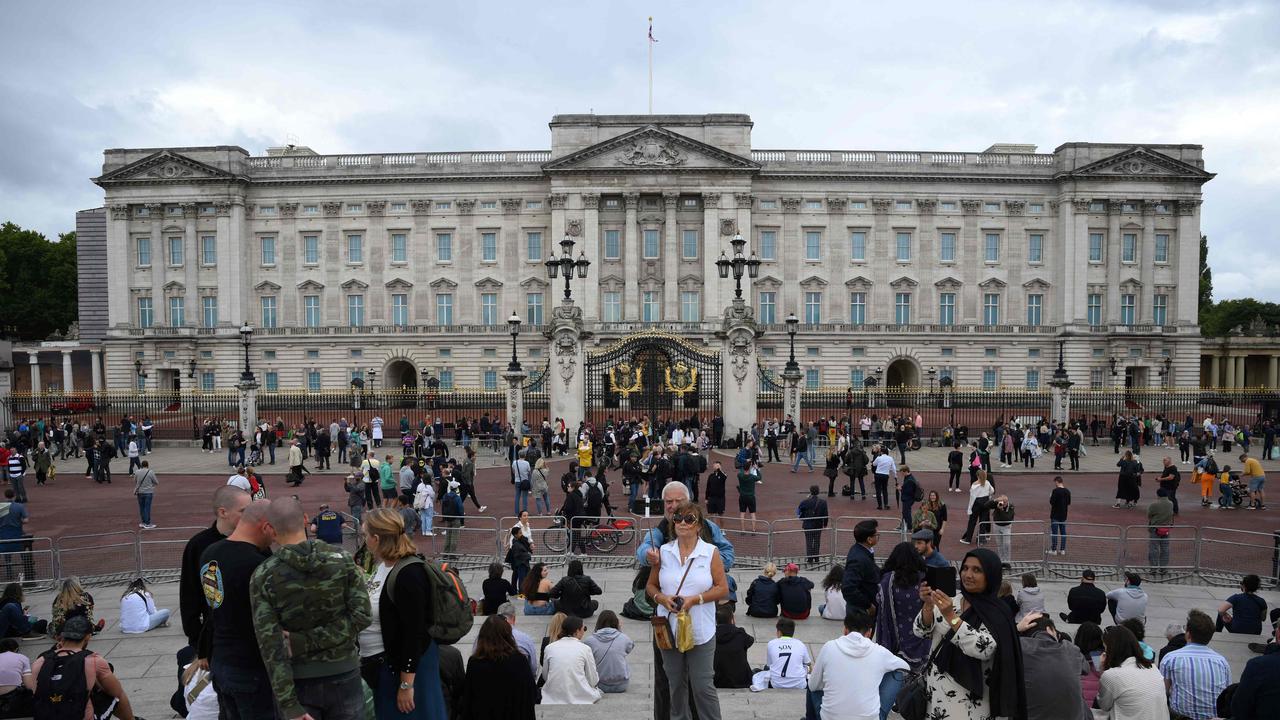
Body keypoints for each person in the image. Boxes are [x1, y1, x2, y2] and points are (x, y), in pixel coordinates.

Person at [250, 496, 370, 720]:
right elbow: (362, 617)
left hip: (298, 681)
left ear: (269, 528)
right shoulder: (342, 560)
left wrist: (289, 704)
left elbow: (270, 644)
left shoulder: (264, 575)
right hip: (344, 672)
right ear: (306, 519)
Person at [636, 481, 735, 720]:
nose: (677, 514)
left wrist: (699, 588)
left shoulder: (709, 544)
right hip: (667, 627)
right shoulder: (663, 542)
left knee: (702, 686)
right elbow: (646, 556)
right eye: (669, 504)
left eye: (679, 503)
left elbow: (726, 560)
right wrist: (651, 560)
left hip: (700, 627)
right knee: (671, 684)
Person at [913, 548, 1028, 720]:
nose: (968, 574)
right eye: (965, 568)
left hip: (969, 701)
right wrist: (928, 605)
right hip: (935, 693)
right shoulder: (950, 600)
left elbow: (984, 648)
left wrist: (951, 617)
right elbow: (920, 631)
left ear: (990, 575)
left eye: (977, 570)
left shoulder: (997, 610)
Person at [198, 499, 275, 719]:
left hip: (221, 658)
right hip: (252, 665)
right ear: (265, 525)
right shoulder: (258, 564)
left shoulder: (209, 552)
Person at [179, 485, 250, 650]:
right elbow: (189, 595)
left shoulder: (255, 541)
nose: (250, 516)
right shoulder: (198, 545)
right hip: (215, 636)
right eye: (243, 511)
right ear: (223, 512)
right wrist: (197, 640)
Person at [805, 607, 907, 720]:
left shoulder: (829, 647)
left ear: (845, 630)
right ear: (869, 632)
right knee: (897, 673)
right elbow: (905, 667)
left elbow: (813, 686)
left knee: (812, 680)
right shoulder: (880, 652)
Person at [28, 615, 137, 720]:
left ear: (62, 636)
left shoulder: (40, 661)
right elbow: (116, 692)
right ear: (88, 637)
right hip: (80, 716)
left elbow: (35, 693)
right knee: (114, 695)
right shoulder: (93, 660)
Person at [459, 615, 537, 720]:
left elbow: (468, 698)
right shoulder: (519, 661)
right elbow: (530, 693)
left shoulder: (475, 663)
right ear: (508, 635)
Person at [1015, 613, 1091, 720]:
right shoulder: (1071, 650)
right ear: (1050, 629)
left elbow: (995, 643)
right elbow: (1086, 669)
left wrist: (1015, 629)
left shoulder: (1019, 647)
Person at [1159, 609, 1230, 720]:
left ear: (1187, 634)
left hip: (1181, 717)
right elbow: (1226, 694)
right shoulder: (1222, 662)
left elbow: (1162, 693)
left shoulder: (1171, 658)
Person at [1096, 624, 1170, 720]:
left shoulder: (1112, 675)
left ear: (1111, 650)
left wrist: (1102, 668)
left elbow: (1104, 705)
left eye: (1105, 648)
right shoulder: (1152, 667)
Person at [875, 541, 929, 669]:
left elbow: (878, 600)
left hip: (894, 635)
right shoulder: (924, 579)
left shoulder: (887, 580)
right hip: (920, 633)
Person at [540, 615, 601, 704]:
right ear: (577, 631)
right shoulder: (585, 649)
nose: (584, 632)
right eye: (584, 629)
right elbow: (593, 680)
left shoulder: (550, 648)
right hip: (580, 696)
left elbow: (545, 675)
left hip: (553, 695)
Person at [1232, 622, 1280, 719]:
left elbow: (1239, 709)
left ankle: (1270, 647)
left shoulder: (1259, 666)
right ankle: (1270, 647)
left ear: (1278, 634)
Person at [749, 617, 809, 691]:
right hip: (799, 684)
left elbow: (769, 665)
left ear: (779, 632)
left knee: (758, 671)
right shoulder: (800, 644)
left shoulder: (772, 643)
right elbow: (808, 664)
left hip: (776, 684)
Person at [582, 610, 634, 693]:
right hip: (621, 685)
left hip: (599, 685)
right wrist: (619, 630)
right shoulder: (624, 638)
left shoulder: (590, 641)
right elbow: (629, 648)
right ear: (616, 622)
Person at [841, 520, 879, 613]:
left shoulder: (862, 551)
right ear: (869, 539)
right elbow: (848, 588)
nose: (878, 537)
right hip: (860, 612)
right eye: (876, 535)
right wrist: (868, 605)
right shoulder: (858, 559)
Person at [712, 605, 753, 689]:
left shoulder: (711, 635)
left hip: (717, 681)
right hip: (741, 681)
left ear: (716, 620)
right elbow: (750, 641)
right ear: (732, 619)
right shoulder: (740, 633)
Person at [959, 470, 993, 545]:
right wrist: (988, 497)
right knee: (982, 521)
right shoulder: (987, 482)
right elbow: (992, 491)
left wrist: (969, 508)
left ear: (977, 476)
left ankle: (968, 539)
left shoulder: (974, 484)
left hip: (977, 503)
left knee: (972, 521)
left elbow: (972, 498)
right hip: (986, 502)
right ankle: (981, 540)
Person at [797, 485, 828, 564]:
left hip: (808, 524)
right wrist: (825, 524)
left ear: (810, 491)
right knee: (817, 541)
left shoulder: (805, 501)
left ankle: (810, 558)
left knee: (809, 541)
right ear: (818, 492)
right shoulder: (823, 502)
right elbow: (826, 514)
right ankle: (816, 558)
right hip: (818, 524)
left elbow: (799, 510)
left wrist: (801, 517)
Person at [1146, 489, 1175, 573]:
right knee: (1165, 549)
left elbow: (1149, 514)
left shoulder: (1154, 504)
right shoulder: (1171, 503)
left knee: (1154, 549)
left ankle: (1153, 568)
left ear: (1158, 495)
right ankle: (1163, 568)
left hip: (1155, 528)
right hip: (1166, 529)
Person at [131, 459, 158, 530]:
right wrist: (151, 485)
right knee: (147, 507)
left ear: (141, 465)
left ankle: (143, 522)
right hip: (148, 492)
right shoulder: (150, 472)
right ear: (147, 465)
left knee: (142, 507)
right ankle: (148, 523)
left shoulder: (137, 472)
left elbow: (135, 481)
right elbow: (156, 482)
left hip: (140, 492)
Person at [1049, 475, 1070, 554]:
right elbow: (1068, 503)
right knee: (1063, 532)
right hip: (1064, 515)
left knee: (1054, 532)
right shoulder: (1067, 491)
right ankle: (1062, 549)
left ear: (1057, 482)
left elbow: (1051, 502)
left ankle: (1054, 549)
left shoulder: (1055, 491)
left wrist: (1051, 496)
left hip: (1055, 514)